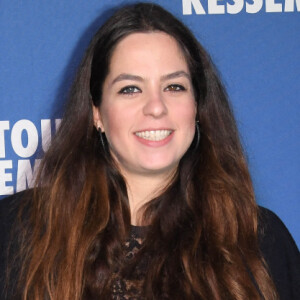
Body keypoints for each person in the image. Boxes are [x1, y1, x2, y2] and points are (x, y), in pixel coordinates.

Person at [0, 2, 299, 300]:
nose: (156, 107)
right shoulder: (17, 232)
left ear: (197, 107)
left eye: (174, 87)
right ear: (97, 113)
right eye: (130, 88)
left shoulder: (260, 241)